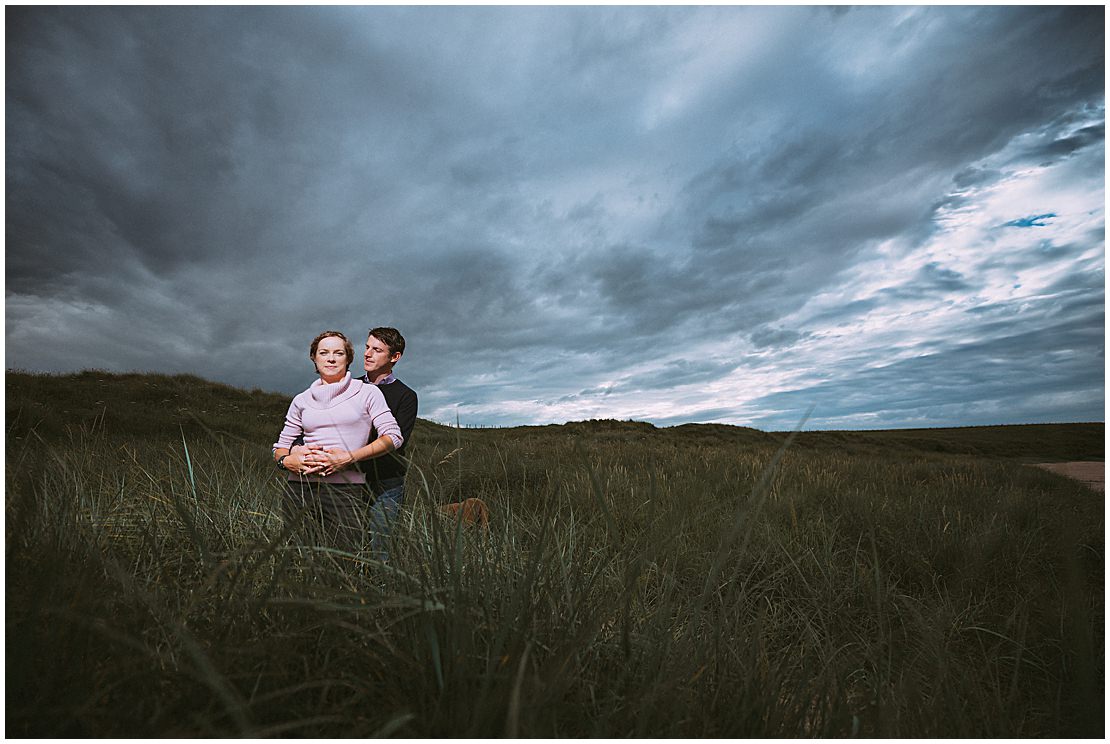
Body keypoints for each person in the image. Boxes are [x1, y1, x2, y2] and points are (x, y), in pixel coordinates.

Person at [289, 327, 418, 560]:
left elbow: (396, 441)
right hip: (347, 480)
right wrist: (298, 448)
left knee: (380, 545)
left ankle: (380, 590)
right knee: (345, 544)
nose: (367, 354)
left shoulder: (405, 396)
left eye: (377, 350)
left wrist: (347, 457)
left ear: (394, 357)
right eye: (367, 347)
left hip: (384, 483)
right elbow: (319, 424)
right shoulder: (350, 386)